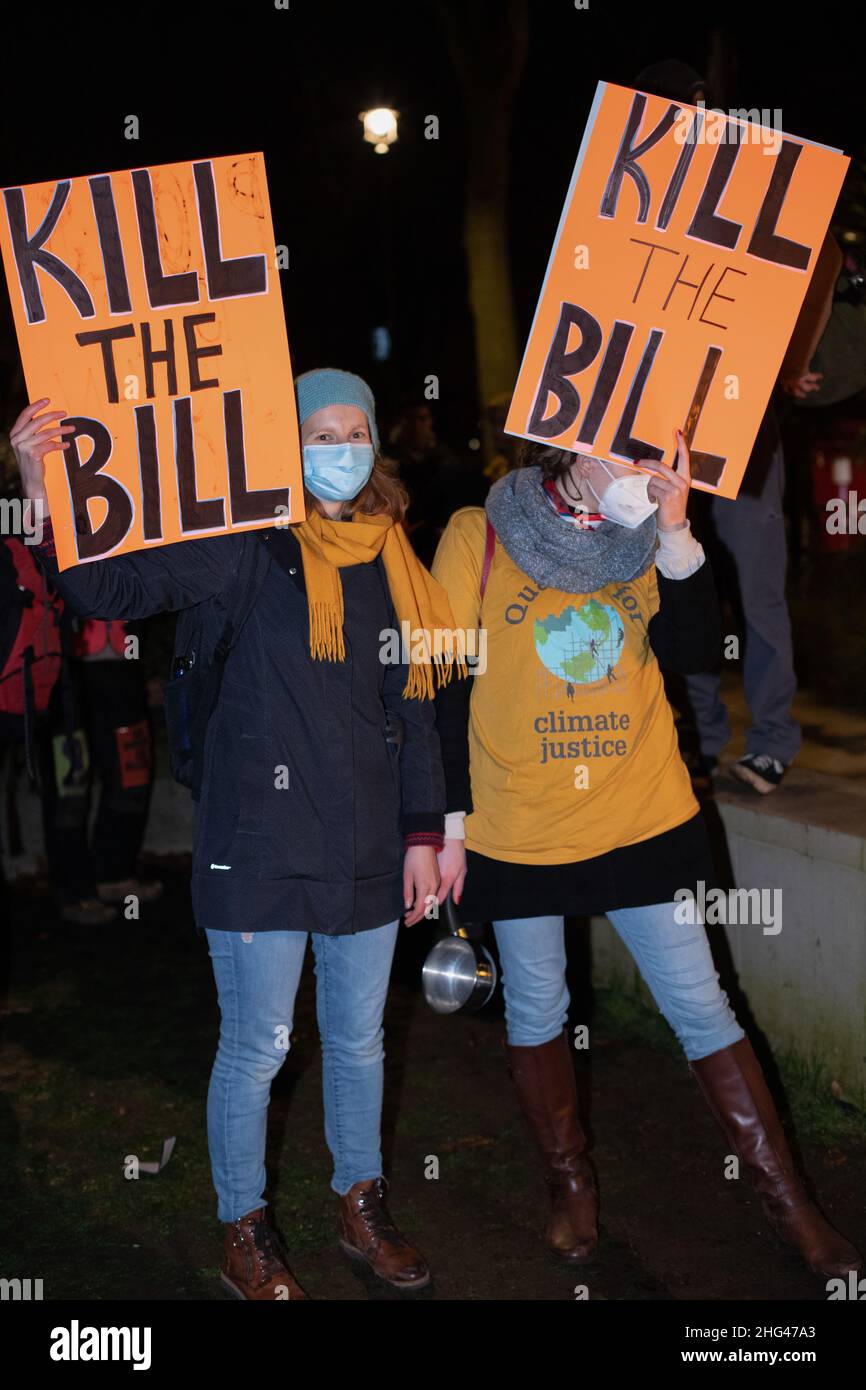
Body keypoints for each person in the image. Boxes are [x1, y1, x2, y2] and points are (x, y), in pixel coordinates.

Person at [11, 371, 461, 1299]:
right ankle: (244, 1225)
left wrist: (426, 830)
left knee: (361, 1039)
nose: (339, 447)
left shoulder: (391, 555)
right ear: (282, 442)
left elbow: (412, 707)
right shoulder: (240, 543)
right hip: (257, 841)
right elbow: (108, 584)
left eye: (353, 430)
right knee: (258, 1045)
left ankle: (359, 1201)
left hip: (370, 843)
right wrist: (37, 488)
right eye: (318, 431)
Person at [431, 433, 862, 1282]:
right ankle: (570, 1187)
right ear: (563, 449)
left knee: (704, 1007)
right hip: (519, 823)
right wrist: (446, 827)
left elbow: (697, 651)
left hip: (642, 811)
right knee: (537, 1009)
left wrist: (673, 528)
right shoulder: (476, 532)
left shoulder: (641, 536)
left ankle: (789, 1205)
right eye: (621, 458)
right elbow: (442, 683)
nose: (640, 473)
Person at [635, 58, 816, 795]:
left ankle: (770, 739)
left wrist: (787, 366)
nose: (699, 124)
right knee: (683, 580)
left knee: (758, 588)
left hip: (744, 432)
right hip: (662, 435)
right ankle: (701, 739)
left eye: (705, 110)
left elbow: (784, 284)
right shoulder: (628, 203)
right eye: (684, 111)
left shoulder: (748, 195)